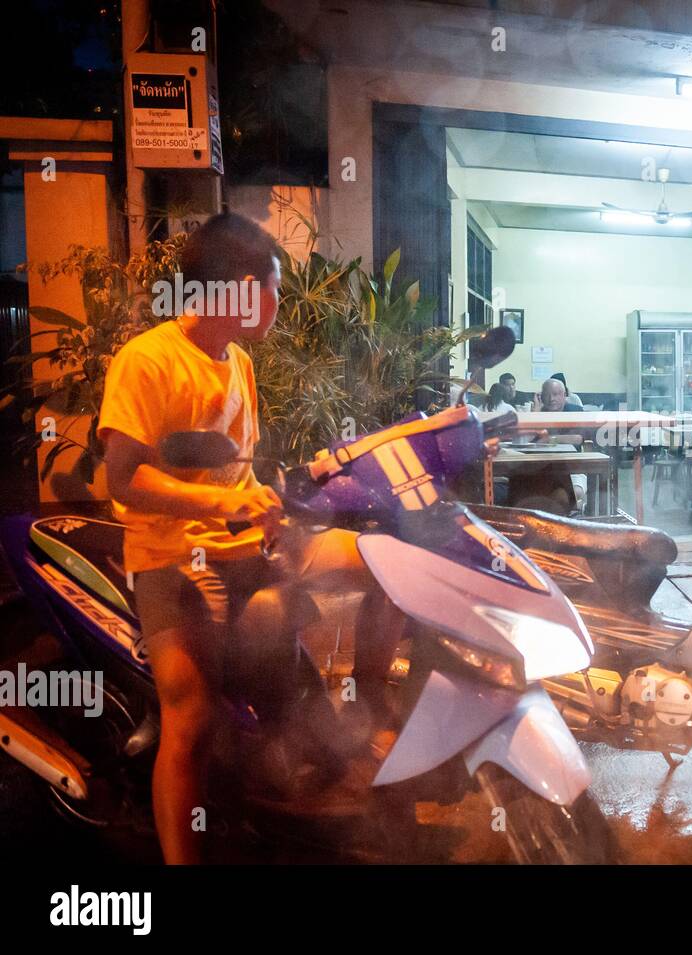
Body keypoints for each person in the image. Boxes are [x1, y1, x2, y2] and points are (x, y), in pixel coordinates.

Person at [98, 213, 401, 864]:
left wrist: (280, 509)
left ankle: (370, 712)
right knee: (192, 716)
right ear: (239, 287)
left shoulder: (237, 363)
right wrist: (223, 502)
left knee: (392, 565)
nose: (279, 303)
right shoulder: (146, 360)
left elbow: (240, 471)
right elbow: (123, 478)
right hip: (172, 562)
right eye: (274, 286)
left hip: (249, 551)